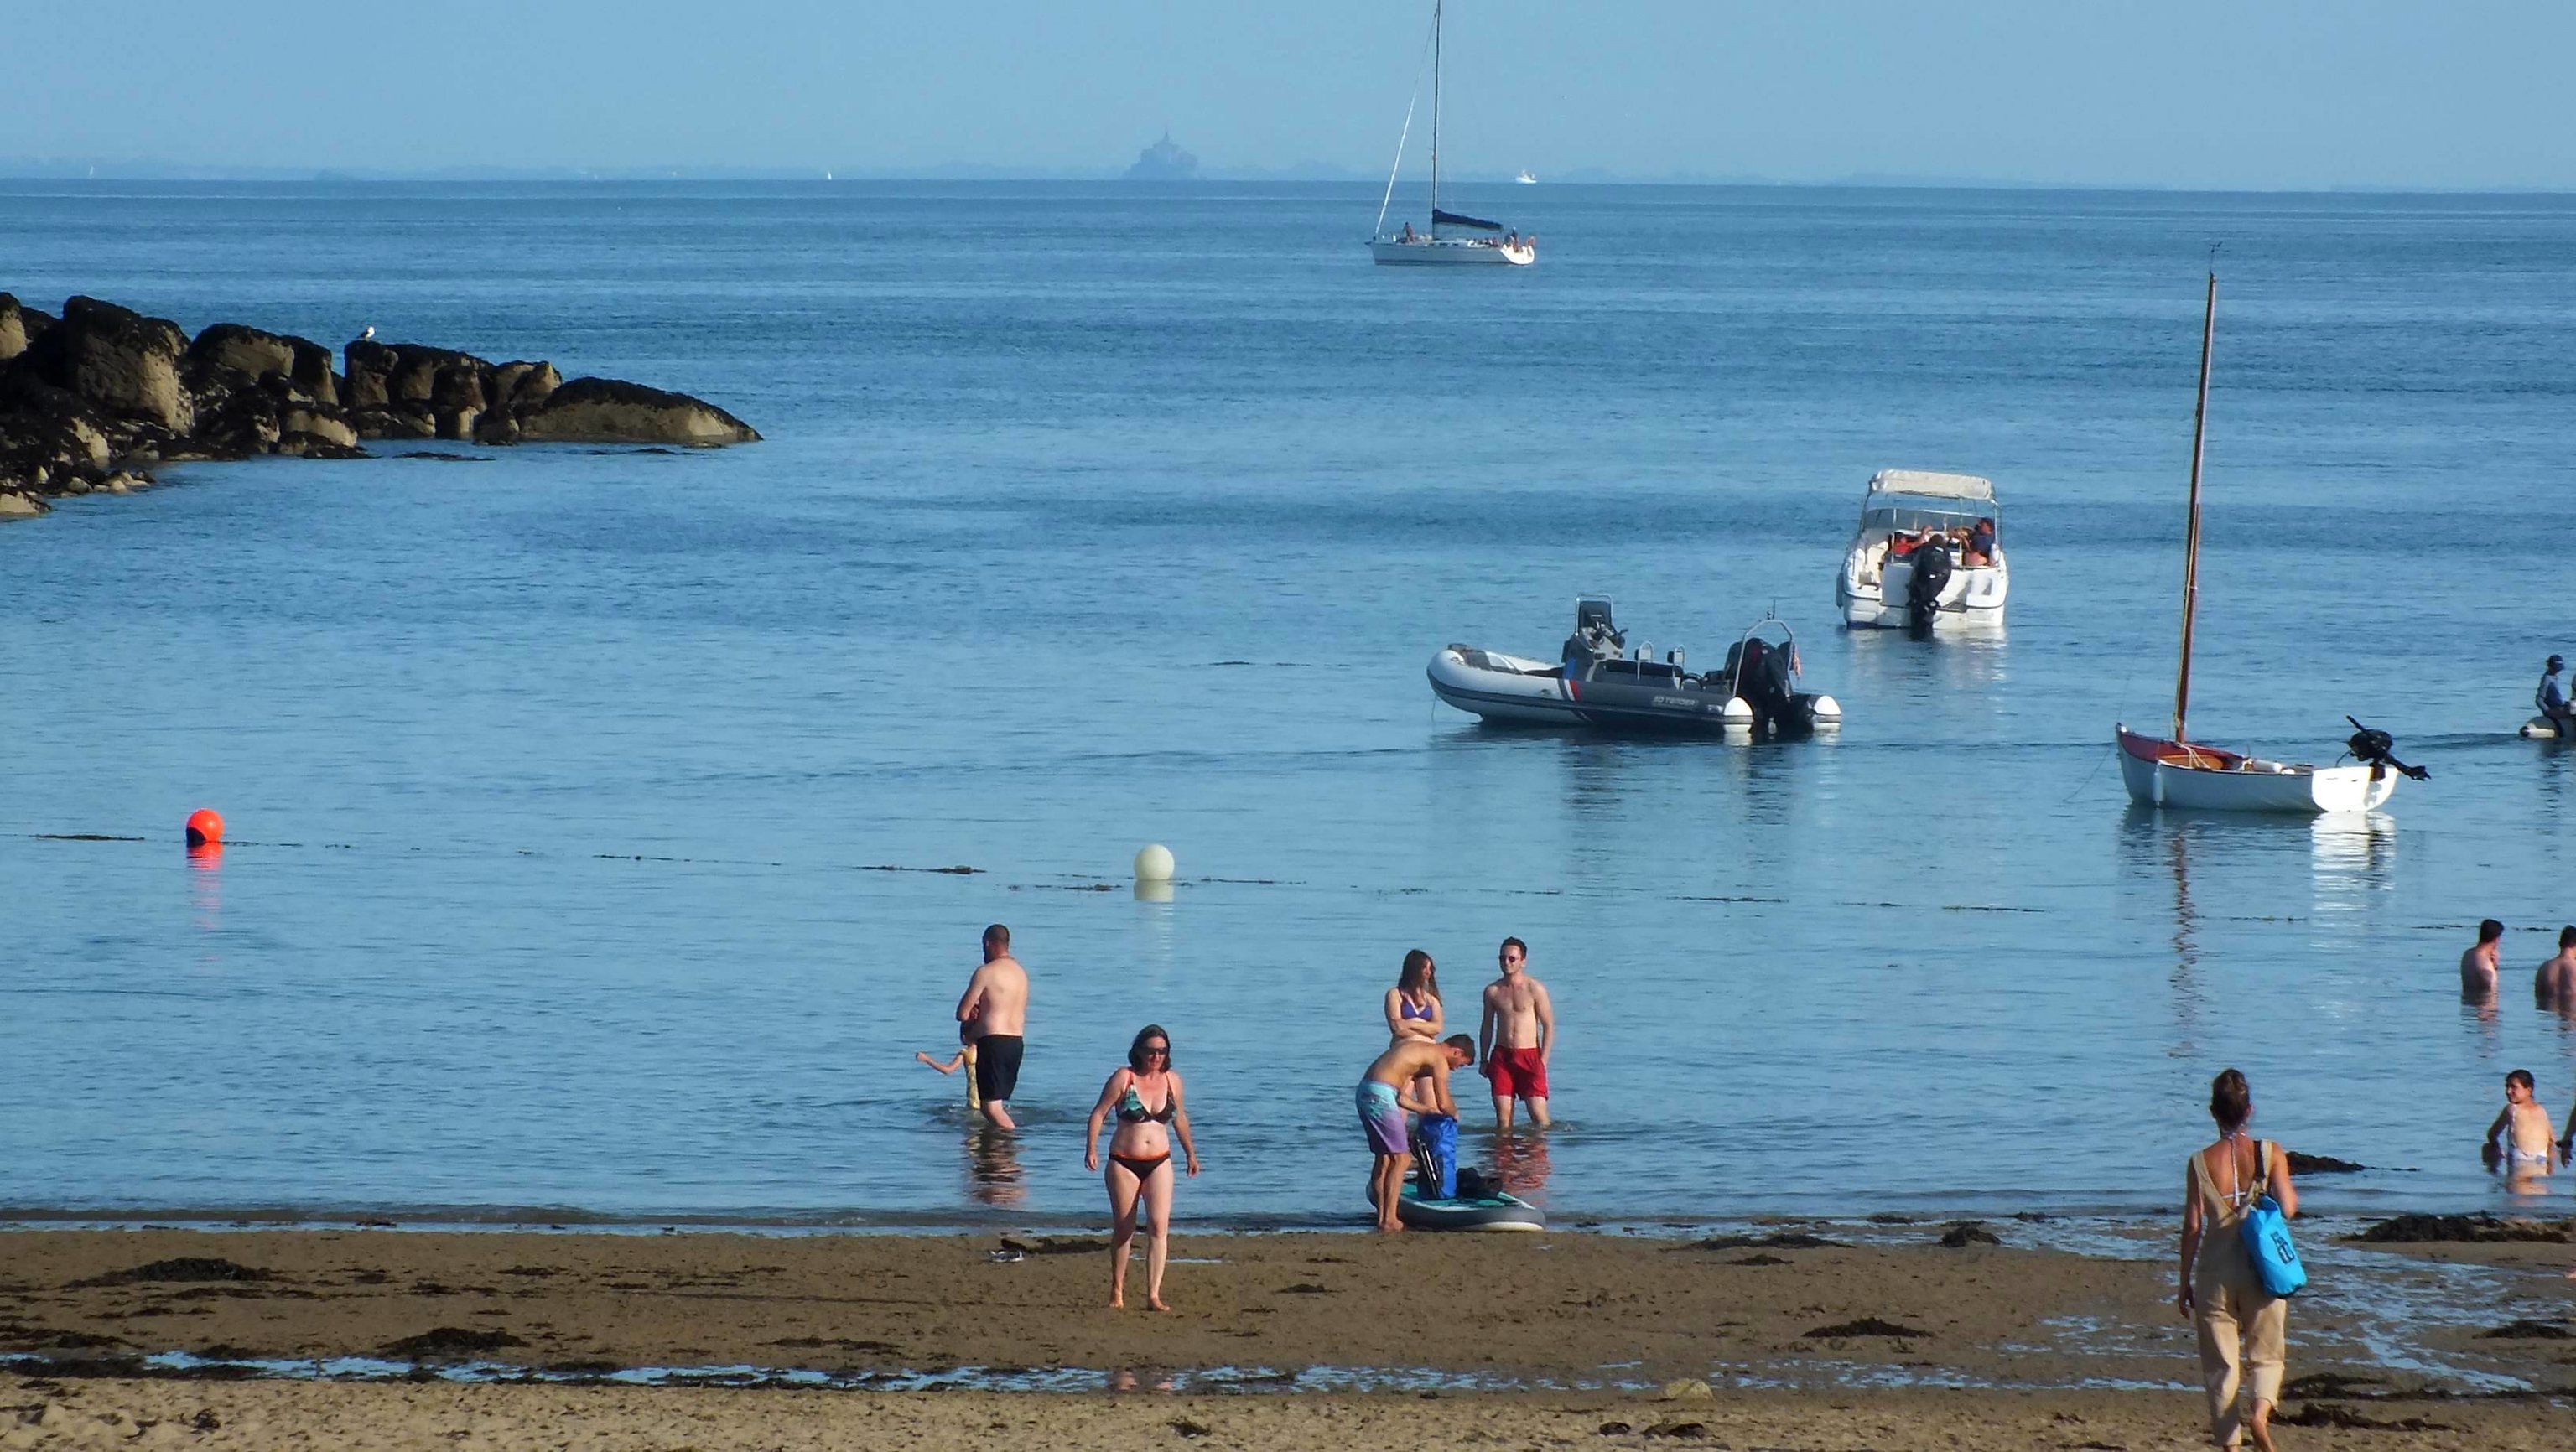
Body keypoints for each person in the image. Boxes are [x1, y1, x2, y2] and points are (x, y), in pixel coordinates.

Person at [2178, 1068, 2298, 1452]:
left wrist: (2183, 1281)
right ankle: (2260, 1416)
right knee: (2266, 1354)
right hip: (2262, 1268)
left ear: (2214, 1112)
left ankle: (2231, 1445)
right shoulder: (2270, 1152)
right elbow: (2290, 1209)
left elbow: (2193, 1226)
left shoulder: (2199, 1162)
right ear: (2250, 1110)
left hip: (2216, 1269)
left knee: (2221, 1367)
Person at [1083, 1025, 1198, 1310]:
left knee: (1159, 1227)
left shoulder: (1173, 1081)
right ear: (1138, 1051)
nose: (1156, 1057)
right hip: (1124, 1161)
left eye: (1162, 1051)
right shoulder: (1125, 1078)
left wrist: (1191, 1154)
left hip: (1160, 1160)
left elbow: (1180, 1119)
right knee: (1125, 1229)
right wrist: (1091, 1149)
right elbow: (1098, 1114)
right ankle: (1117, 1292)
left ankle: (1153, 1295)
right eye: (1150, 1051)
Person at [1357, 1035, 1474, 1232]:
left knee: (1384, 1159)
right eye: (1460, 1065)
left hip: (1366, 1092)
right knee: (1401, 1160)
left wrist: (1425, 1110)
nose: (1455, 1069)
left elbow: (1400, 1095)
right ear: (1457, 1052)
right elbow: (1444, 1102)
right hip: (1381, 1096)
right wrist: (1455, 1114)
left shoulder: (1417, 1050)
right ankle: (1390, 1220)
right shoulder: (1438, 1058)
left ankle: (1383, 1218)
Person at [954, 923, 1028, 1130]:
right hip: (1016, 1043)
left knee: (990, 1108)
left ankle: (1010, 1146)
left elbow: (962, 1013)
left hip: (994, 1042)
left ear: (988, 944)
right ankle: (997, 1151)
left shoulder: (986, 972)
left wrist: (972, 1016)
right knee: (997, 1104)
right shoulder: (1020, 973)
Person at [1478, 936, 1555, 1131]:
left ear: (1523, 961)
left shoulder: (1534, 988)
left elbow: (1548, 1025)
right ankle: (1504, 1158)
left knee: (1539, 1116)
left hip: (1530, 1056)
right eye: (1502, 958)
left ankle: (1538, 1159)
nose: (1506, 963)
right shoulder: (1492, 991)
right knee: (1503, 1118)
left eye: (1512, 958)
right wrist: (1483, 1059)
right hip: (1502, 1057)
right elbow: (1487, 1025)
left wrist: (1543, 1061)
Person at [2481, 1070, 2558, 1178]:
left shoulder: (2512, 1109)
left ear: (2529, 1090)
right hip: (2541, 1160)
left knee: (2487, 1147)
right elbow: (2552, 1141)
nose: (2508, 1091)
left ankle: (2492, 1177)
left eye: (2514, 1087)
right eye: (2507, 1087)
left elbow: (2492, 1134)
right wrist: (2550, 1168)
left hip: (2519, 1160)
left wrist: (2497, 1150)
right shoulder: (2542, 1110)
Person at [2460, 918, 2503, 999]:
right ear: (2497, 939)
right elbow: (2491, 990)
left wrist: (2494, 965)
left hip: (2467, 1004)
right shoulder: (2486, 964)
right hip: (2486, 1009)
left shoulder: (2467, 954)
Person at [2537, 926, 2576, 1009]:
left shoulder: (2544, 968)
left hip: (2549, 1016)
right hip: (2572, 1012)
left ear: (2559, 943)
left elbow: (2538, 998)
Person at [2537, 655, 2573, 735]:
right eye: (2555, 669)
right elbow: (2539, 699)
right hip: (2554, 710)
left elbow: (2555, 697)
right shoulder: (2547, 679)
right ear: (2550, 667)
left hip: (2558, 707)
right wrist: (2548, 711)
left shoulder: (2553, 677)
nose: (2557, 671)